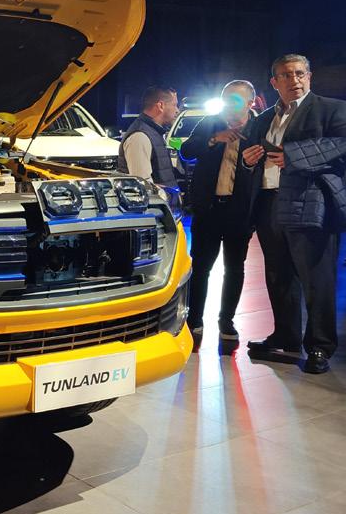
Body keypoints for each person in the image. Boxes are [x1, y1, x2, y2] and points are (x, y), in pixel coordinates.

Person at [242, 54, 346, 374]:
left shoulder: (331, 109)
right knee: (279, 276)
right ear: (274, 82)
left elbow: (342, 144)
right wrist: (247, 160)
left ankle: (319, 345)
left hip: (310, 204)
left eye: (300, 73)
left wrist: (294, 156)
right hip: (268, 204)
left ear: (309, 76)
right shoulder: (263, 119)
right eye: (286, 75)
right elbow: (251, 156)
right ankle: (285, 336)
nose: (295, 80)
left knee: (317, 279)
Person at [179, 81, 257, 351]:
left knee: (235, 268)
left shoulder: (259, 128)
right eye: (226, 99)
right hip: (208, 209)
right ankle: (194, 319)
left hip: (240, 211)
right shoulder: (210, 123)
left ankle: (227, 321)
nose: (229, 105)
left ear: (250, 103)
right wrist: (213, 139)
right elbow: (186, 151)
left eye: (236, 100)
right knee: (201, 266)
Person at [117, 86, 180, 186]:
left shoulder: (154, 132)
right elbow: (144, 185)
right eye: (174, 105)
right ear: (161, 106)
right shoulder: (139, 137)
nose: (177, 110)